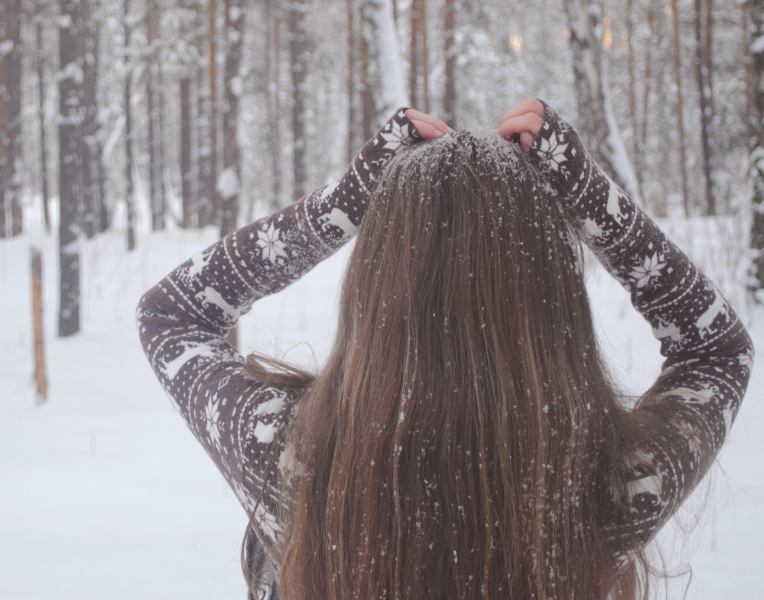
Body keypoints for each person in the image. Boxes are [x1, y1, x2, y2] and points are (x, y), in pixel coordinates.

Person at [136, 98, 753, 600]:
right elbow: (715, 351)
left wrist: (344, 204)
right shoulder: (603, 487)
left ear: (375, 290)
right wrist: (591, 199)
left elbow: (173, 316)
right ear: (551, 304)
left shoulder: (292, 463)